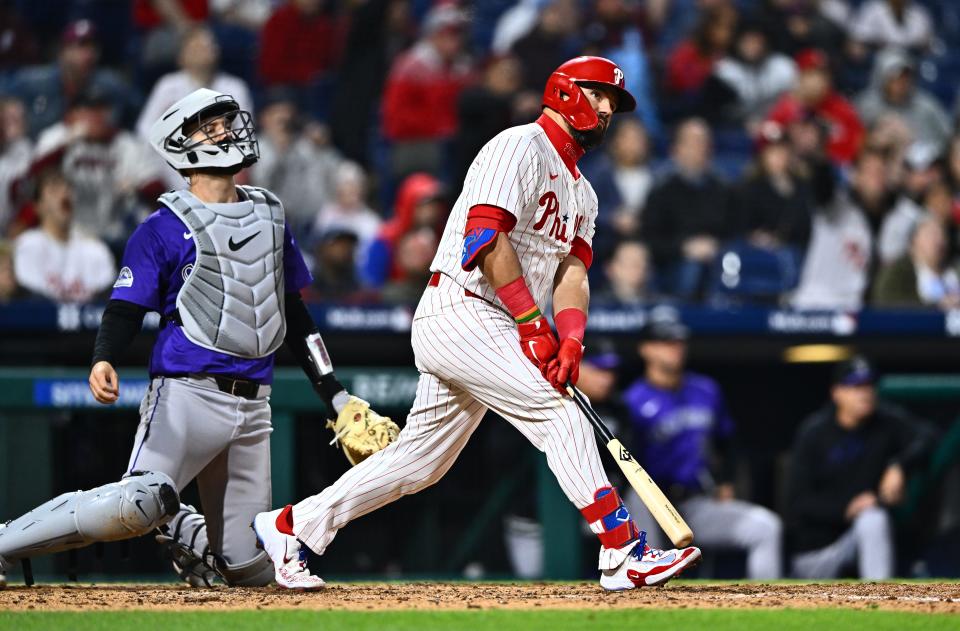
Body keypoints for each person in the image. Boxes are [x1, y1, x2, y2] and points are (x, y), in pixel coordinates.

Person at [250, 56, 701, 591]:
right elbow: (487, 238)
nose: (606, 109)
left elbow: (573, 270)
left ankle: (290, 526)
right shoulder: (518, 147)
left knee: (420, 464)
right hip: (462, 307)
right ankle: (620, 550)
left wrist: (572, 335)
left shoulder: (585, 192)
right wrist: (534, 323)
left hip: (498, 321)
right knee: (557, 414)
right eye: (597, 94)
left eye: (613, 103)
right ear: (564, 90)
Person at [0, 88, 392, 590]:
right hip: (186, 397)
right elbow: (124, 308)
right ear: (182, 146)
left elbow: (293, 313)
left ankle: (183, 528)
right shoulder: (162, 226)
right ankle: (8, 542)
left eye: (226, 122)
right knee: (137, 502)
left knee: (250, 572)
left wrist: (335, 395)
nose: (225, 131)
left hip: (255, 408)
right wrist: (103, 358)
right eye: (210, 126)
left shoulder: (271, 215)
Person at [623, 316, 783, 579]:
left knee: (766, 527)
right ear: (646, 349)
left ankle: (768, 609)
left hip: (696, 501)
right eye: (665, 342)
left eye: (678, 341)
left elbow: (728, 440)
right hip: (653, 506)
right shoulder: (632, 401)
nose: (675, 348)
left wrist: (727, 480)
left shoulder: (706, 390)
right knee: (653, 566)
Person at [787, 355, 936, 578]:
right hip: (818, 552)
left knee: (872, 519)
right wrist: (846, 509)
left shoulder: (886, 422)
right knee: (870, 517)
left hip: (861, 537)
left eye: (869, 385)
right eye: (856, 386)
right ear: (836, 393)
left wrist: (899, 466)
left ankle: (879, 602)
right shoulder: (814, 432)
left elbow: (928, 437)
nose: (865, 393)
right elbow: (798, 502)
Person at [30, 88, 167, 246]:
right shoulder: (57, 137)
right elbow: (33, 178)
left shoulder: (125, 143)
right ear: (72, 114)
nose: (95, 118)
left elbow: (158, 188)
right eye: (88, 111)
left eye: (100, 111)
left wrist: (136, 187)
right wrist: (65, 145)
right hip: (69, 232)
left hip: (114, 235)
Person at [640, 118, 734, 300]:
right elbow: (650, 240)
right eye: (693, 142)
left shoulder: (724, 188)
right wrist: (685, 247)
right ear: (677, 149)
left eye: (704, 142)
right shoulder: (662, 190)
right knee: (691, 268)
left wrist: (717, 246)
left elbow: (735, 230)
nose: (700, 148)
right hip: (674, 262)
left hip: (718, 257)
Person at [11, 19, 137, 138]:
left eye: (92, 46)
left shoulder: (112, 86)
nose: (89, 53)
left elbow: (138, 114)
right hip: (39, 153)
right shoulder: (33, 81)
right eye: (81, 46)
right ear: (63, 51)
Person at [136, 26, 254, 145]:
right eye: (197, 47)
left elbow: (245, 131)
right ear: (181, 57)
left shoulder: (235, 87)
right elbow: (145, 126)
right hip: (174, 153)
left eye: (209, 46)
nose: (205, 51)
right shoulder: (168, 85)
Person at [12, 167, 116, 303]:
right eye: (54, 190)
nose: (64, 194)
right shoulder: (27, 245)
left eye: (68, 188)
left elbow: (107, 300)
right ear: (38, 206)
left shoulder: (96, 249)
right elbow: (31, 302)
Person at [856, 49, 951, 155]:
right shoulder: (866, 106)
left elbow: (948, 137)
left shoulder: (926, 106)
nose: (901, 83)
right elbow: (856, 142)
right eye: (895, 78)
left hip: (923, 167)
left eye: (906, 78)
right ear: (882, 78)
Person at [873, 216, 960, 310]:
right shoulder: (896, 274)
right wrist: (936, 306)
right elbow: (889, 305)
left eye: (942, 234)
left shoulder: (955, 270)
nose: (939, 240)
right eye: (931, 234)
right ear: (913, 241)